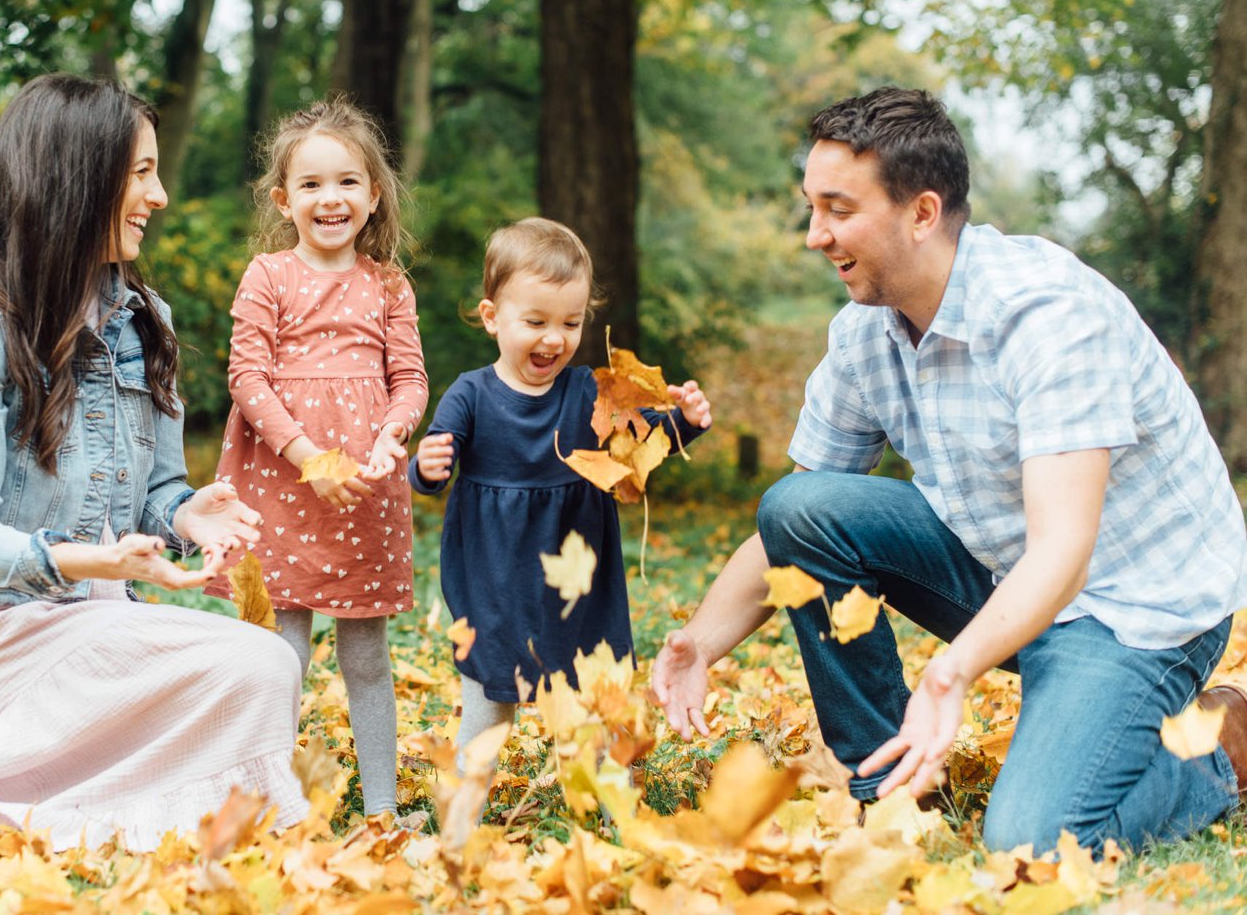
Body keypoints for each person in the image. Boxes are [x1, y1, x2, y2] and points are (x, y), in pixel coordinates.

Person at [652, 86, 1247, 854]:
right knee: (802, 506)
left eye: (837, 209)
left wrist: (951, 672)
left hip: (1132, 607)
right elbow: (791, 528)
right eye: (812, 207)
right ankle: (888, 790)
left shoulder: (1048, 317)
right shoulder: (863, 334)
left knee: (1032, 843)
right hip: (1003, 569)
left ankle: (1224, 743)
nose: (813, 235)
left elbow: (1064, 551)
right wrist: (700, 642)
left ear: (922, 213)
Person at [0, 74, 309, 851]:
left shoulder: (146, 320)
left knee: (264, 668)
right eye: (140, 172)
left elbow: (158, 490)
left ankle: (49, 796)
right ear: (77, 177)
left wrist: (187, 511)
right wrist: (86, 561)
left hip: (93, 620)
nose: (159, 195)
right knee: (258, 661)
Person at [411, 218, 713, 770]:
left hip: (579, 579)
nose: (555, 338)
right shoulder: (471, 394)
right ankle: (463, 817)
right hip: (497, 576)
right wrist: (428, 467)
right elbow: (435, 460)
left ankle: (598, 810)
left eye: (571, 322)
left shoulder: (590, 391)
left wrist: (685, 424)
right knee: (490, 701)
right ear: (491, 318)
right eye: (536, 321)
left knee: (586, 700)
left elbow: (640, 442)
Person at [209, 96, 427, 820]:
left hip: (364, 490)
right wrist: (306, 455)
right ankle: (265, 797)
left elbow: (410, 379)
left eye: (346, 182)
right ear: (283, 198)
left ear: (372, 195)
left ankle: (383, 808)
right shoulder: (267, 276)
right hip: (281, 484)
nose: (329, 198)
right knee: (281, 652)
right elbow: (247, 376)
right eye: (310, 184)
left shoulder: (389, 284)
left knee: (366, 654)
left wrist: (390, 435)